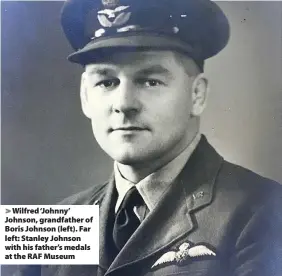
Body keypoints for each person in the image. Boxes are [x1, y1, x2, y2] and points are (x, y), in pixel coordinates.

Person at [17, 0, 282, 275]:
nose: (123, 103)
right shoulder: (58, 220)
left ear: (197, 95)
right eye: (106, 82)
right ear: (85, 95)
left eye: (150, 81)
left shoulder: (262, 212)